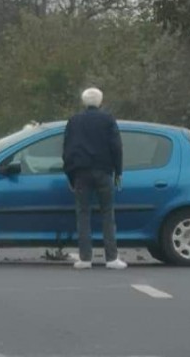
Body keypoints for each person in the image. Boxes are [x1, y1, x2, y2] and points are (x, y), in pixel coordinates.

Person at [63, 87, 126, 270]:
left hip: (81, 173)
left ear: (84, 102)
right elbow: (116, 147)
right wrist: (118, 171)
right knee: (107, 213)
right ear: (100, 101)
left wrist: (70, 174)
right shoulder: (108, 120)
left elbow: (67, 150)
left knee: (83, 214)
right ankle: (112, 258)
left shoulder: (74, 121)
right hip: (103, 171)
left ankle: (85, 258)